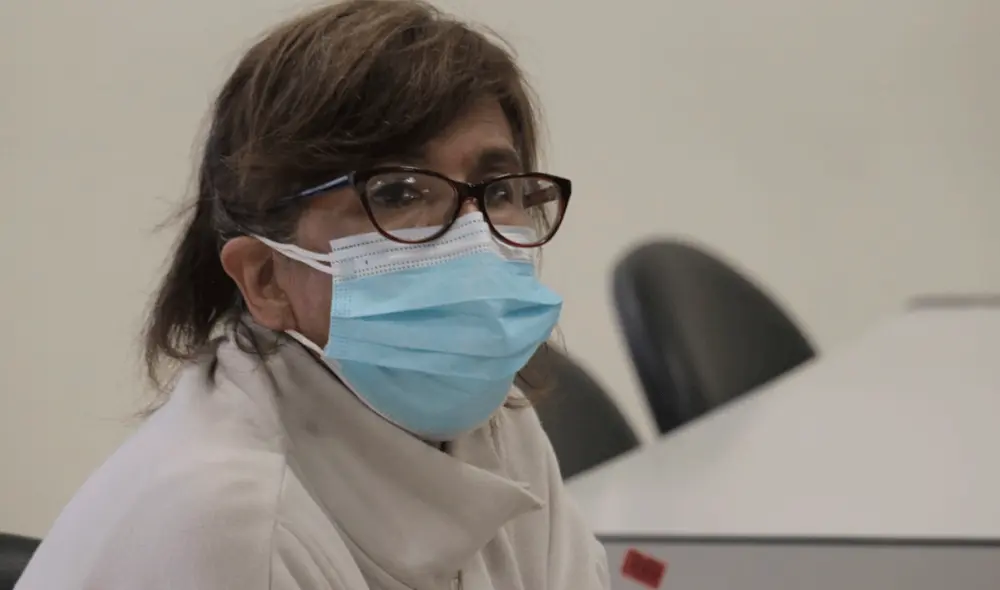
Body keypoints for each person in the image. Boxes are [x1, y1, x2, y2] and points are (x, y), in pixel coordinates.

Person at [15, 1, 609, 589]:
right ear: (266, 279)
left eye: (498, 191)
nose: (473, 236)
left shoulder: (497, 427)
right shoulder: (230, 524)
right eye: (398, 193)